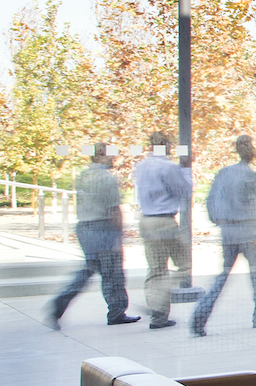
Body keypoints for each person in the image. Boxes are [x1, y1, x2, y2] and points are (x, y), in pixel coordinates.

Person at [191, 135, 256, 337]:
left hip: (229, 231)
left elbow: (211, 200)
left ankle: (199, 317)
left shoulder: (224, 173)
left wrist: (220, 221)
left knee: (221, 277)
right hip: (249, 231)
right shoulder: (253, 177)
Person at [45, 144, 141, 330]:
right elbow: (114, 210)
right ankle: (116, 312)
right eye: (111, 156)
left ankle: (62, 301)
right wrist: (119, 235)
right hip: (103, 227)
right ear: (102, 157)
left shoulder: (83, 176)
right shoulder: (107, 178)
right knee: (113, 274)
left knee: (89, 268)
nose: (114, 159)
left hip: (84, 227)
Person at [133, 131, 193, 330]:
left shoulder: (141, 166)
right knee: (184, 265)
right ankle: (160, 299)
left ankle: (158, 315)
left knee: (155, 269)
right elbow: (184, 191)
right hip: (165, 222)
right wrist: (185, 170)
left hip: (146, 221)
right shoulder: (168, 167)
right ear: (166, 145)